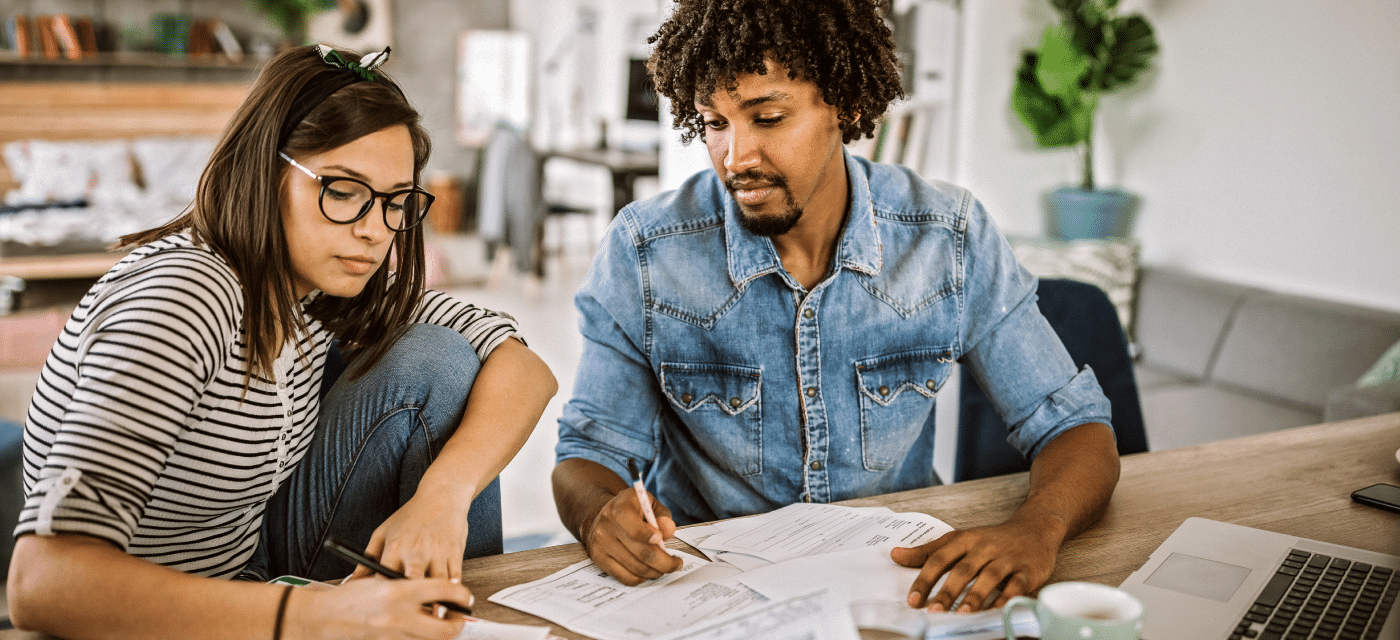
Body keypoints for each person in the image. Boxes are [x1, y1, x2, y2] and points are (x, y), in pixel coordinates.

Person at [552, 0, 1121, 615]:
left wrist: (1038, 528)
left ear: (846, 106)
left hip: (899, 587)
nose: (734, 157)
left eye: (766, 118)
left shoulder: (946, 238)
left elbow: (1073, 426)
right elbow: (588, 457)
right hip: (710, 597)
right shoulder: (646, 251)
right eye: (714, 122)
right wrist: (599, 516)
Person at [6, 45, 557, 640]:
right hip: (148, 614)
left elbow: (524, 368)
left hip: (255, 569)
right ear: (265, 172)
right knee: (437, 360)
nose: (375, 230)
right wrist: (322, 617)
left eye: (396, 201)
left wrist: (442, 498)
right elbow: (41, 584)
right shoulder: (184, 295)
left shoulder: (325, 280)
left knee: (443, 358)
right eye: (343, 191)